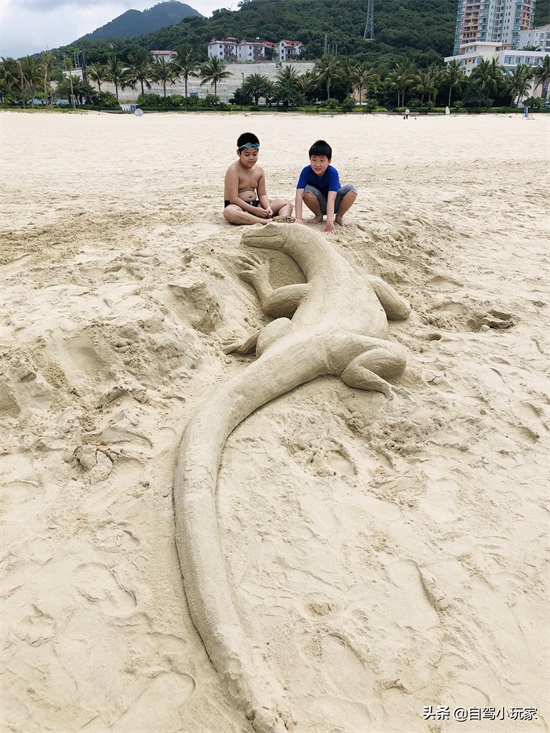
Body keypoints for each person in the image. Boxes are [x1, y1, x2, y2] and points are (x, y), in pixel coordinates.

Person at [224, 132, 292, 225]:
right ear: (239, 153)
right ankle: (266, 221)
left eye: (254, 154)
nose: (251, 158)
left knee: (286, 204)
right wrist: (255, 210)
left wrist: (267, 207)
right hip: (237, 206)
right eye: (247, 155)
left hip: (255, 204)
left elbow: (262, 194)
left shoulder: (259, 170)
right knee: (229, 212)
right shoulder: (233, 170)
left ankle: (281, 221)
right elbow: (234, 199)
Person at [294, 139, 357, 234]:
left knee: (352, 189)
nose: (317, 164)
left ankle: (339, 217)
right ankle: (318, 216)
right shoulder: (306, 171)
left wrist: (329, 222)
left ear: (329, 161)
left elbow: (332, 198)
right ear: (310, 160)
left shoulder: (332, 172)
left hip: (335, 204)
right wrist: (298, 218)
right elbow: (298, 194)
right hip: (319, 204)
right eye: (314, 160)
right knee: (306, 191)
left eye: (322, 160)